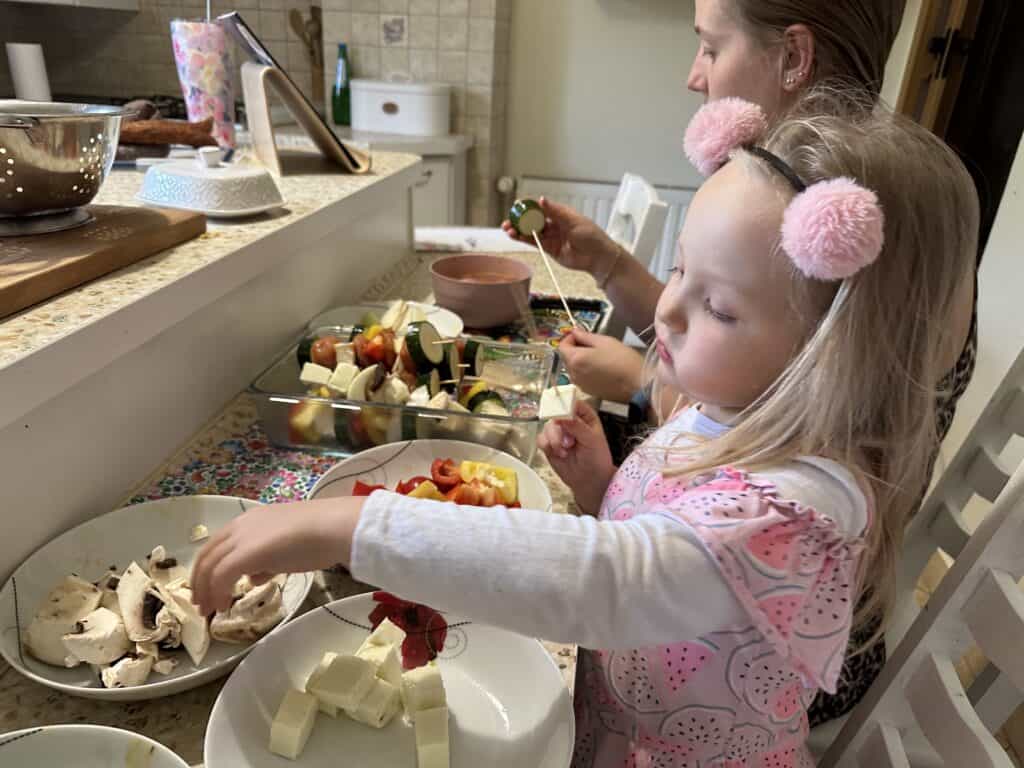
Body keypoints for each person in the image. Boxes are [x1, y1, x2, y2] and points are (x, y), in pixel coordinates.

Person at [191, 94, 979, 766]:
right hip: (616, 728)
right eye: (678, 271)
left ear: (833, 356)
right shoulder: (725, 402)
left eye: (720, 306)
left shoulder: (795, 509)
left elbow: (615, 582)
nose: (667, 310)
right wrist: (607, 488)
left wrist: (347, 522)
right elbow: (676, 558)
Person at [501, 0, 979, 725]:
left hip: (776, 650)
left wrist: (640, 384)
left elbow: (791, 439)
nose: (694, 76)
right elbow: (732, 346)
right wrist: (608, 263)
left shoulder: (876, 224)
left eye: (710, 47)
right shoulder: (799, 181)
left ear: (793, 55)